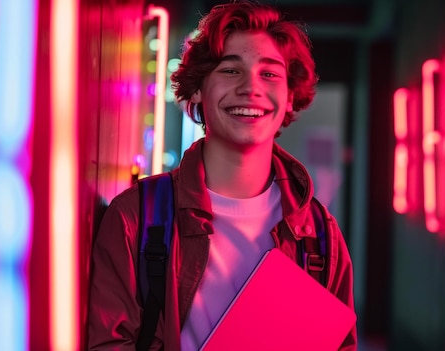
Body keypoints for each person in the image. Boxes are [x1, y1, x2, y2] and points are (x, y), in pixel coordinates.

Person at [87, 1, 357, 350]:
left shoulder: (319, 234)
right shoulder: (136, 217)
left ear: (290, 97)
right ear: (198, 89)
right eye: (231, 70)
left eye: (270, 74)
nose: (250, 87)